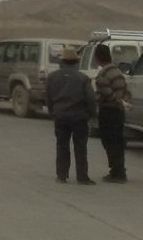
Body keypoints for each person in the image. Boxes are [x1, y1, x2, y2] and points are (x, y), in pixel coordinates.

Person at [45, 44, 97, 184]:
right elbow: (90, 99)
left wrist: (52, 112)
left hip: (60, 116)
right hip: (79, 117)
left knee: (62, 145)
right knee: (80, 147)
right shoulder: (83, 78)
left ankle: (62, 175)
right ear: (76, 62)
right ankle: (82, 176)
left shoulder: (52, 77)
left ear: (62, 61)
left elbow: (48, 97)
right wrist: (92, 114)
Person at [93, 43, 129, 183]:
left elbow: (105, 95)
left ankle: (116, 172)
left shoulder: (102, 75)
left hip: (108, 111)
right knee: (118, 141)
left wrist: (91, 101)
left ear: (98, 58)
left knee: (108, 141)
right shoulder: (118, 72)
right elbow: (124, 92)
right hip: (119, 112)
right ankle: (119, 170)